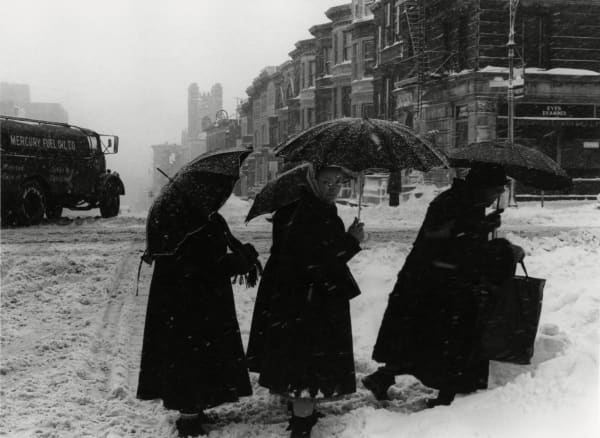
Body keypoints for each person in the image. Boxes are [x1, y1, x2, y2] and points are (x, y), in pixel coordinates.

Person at [363, 164, 525, 408]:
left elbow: (460, 240)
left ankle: (383, 379)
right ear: (482, 187)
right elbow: (456, 246)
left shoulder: (465, 201)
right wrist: (504, 250)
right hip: (436, 286)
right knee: (451, 343)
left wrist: (484, 226)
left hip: (433, 284)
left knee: (421, 339)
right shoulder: (457, 203)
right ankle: (448, 400)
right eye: (496, 189)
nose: (497, 195)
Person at [137, 174, 259, 437]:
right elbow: (205, 267)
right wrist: (241, 261)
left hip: (187, 306)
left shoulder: (189, 218)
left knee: (191, 359)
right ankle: (189, 419)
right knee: (190, 361)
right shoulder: (193, 223)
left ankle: (194, 408)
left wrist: (239, 256)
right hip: (193, 308)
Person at [248, 165, 365, 437]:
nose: (334, 187)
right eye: (327, 182)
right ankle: (302, 424)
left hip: (295, 300)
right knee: (306, 368)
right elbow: (318, 262)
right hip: (310, 303)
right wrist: (351, 241)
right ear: (313, 181)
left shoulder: (299, 208)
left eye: (338, 182)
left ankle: (302, 413)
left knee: (296, 363)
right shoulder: (313, 214)